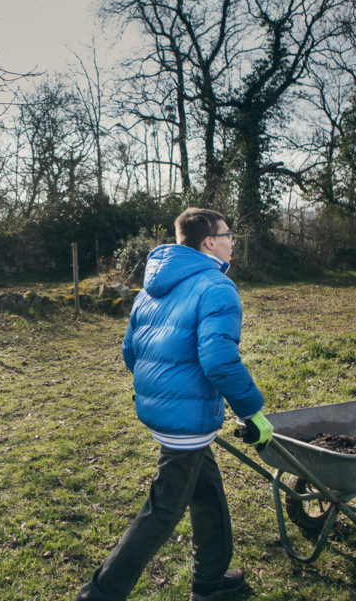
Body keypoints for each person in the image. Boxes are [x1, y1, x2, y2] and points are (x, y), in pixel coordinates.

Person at [75, 208, 272, 601]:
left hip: (164, 410)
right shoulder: (216, 286)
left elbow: (130, 352)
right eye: (228, 234)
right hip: (187, 419)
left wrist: (161, 389)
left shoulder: (152, 288)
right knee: (163, 509)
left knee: (208, 491)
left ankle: (210, 580)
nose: (233, 241)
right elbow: (218, 360)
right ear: (209, 242)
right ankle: (99, 594)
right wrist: (251, 411)